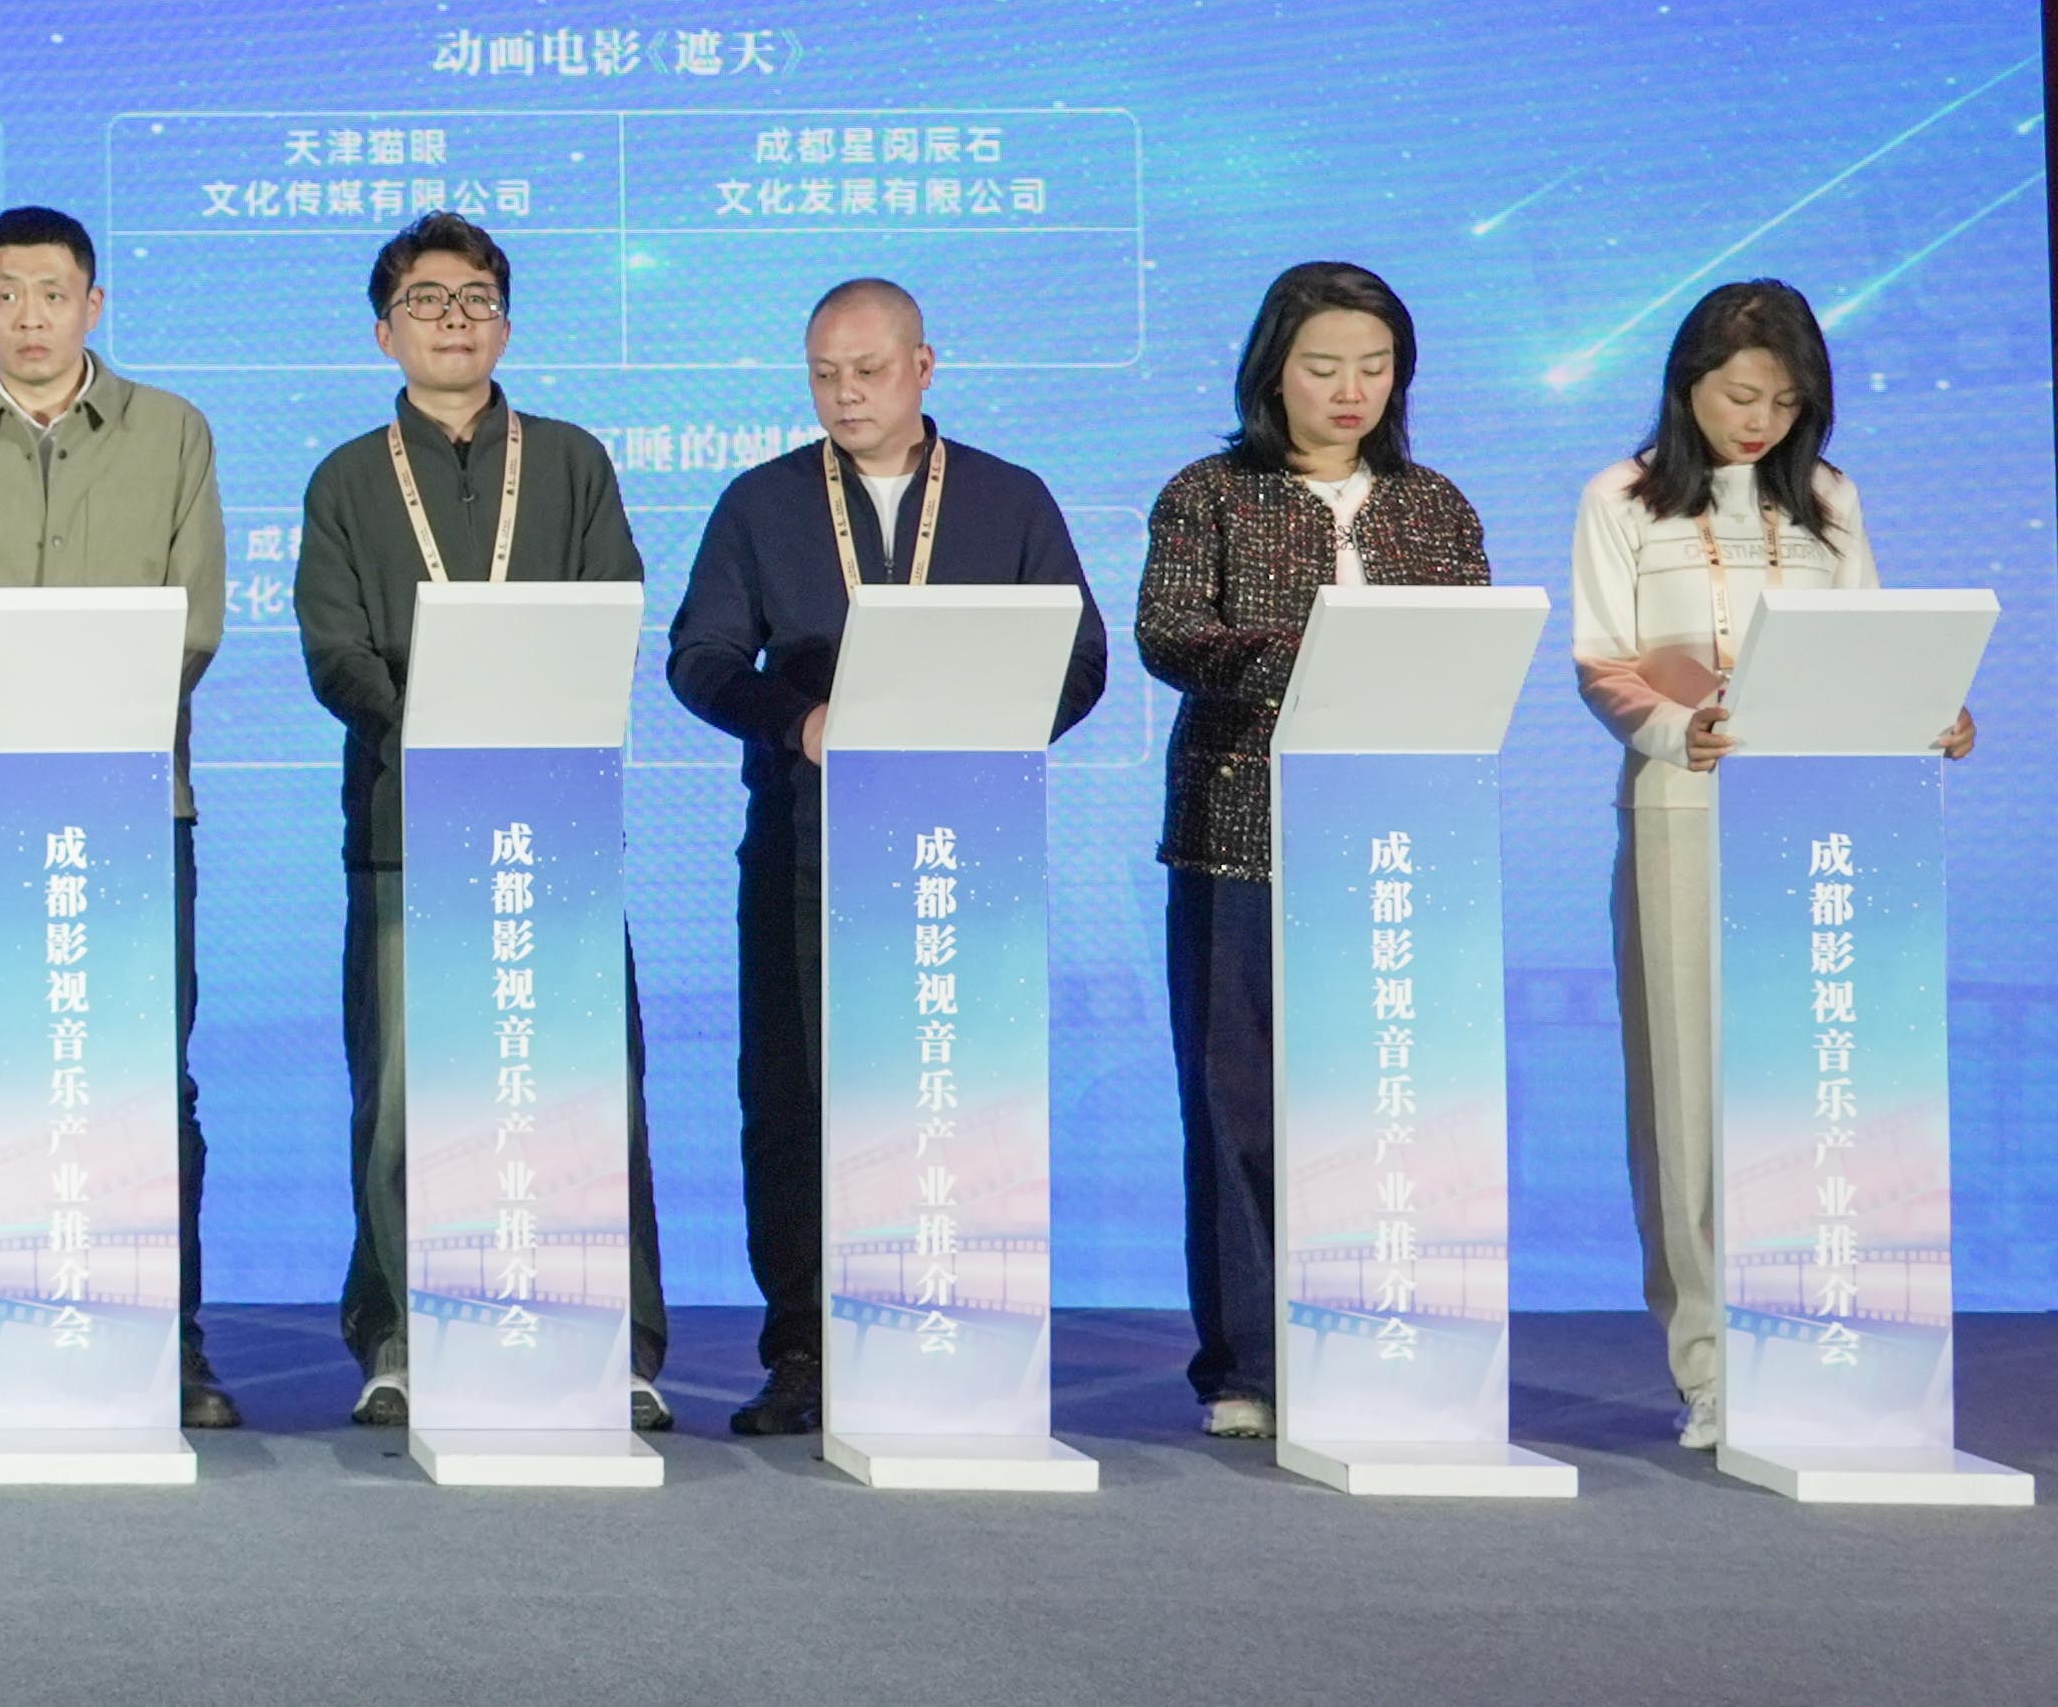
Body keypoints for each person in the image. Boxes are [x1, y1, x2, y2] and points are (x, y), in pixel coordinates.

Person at [664, 275, 1110, 1441]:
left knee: (954, 1089)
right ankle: (803, 1348)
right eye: (822, 374)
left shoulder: (1007, 498)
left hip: (963, 847)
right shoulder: (762, 501)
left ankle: (956, 1321)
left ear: (923, 367)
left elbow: (1079, 659)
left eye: (866, 370)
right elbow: (699, 657)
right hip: (802, 842)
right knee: (790, 1095)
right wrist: (795, 719)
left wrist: (982, 731)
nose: (844, 393)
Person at [1569, 277, 1973, 1454]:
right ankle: (1707, 1366)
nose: (1758, 421)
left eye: (1784, 402)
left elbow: (1872, 650)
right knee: (1685, 1090)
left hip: (1820, 821)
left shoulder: (1829, 500)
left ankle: (1821, 1341)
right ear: (1687, 381)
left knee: (1815, 1084)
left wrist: (1932, 714)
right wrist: (1672, 729)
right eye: (1739, 394)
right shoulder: (1620, 497)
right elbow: (1600, 661)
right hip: (1684, 804)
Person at [290, 213, 665, 1435]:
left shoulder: (570, 460)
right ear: (382, 330)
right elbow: (333, 646)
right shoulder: (347, 477)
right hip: (404, 825)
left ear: (505, 323)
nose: (451, 320)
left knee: (588, 1084)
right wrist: (430, 730)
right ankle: (398, 1336)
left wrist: (522, 727)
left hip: (553, 824)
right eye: (425, 299)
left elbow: (612, 609)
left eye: (473, 299)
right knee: (402, 1095)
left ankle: (616, 1340)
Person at [0, 205, 235, 1431]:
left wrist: (89, 700)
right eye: (5, 293)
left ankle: (170, 1344)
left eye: (52, 292)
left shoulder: (171, 431)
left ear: (93, 303)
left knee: (146, 1076)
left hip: (134, 798)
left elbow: (194, 615)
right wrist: (27, 694)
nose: (29, 316)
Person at [1132, 260, 1491, 1442]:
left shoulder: (1432, 506)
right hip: (1239, 831)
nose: (1349, 390)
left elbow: (1473, 647)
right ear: (1271, 372)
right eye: (1323, 366)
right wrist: (1305, 654)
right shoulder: (1207, 493)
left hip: (1398, 840)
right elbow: (1166, 633)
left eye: (1373, 368)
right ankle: (1245, 1362)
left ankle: (1389, 1329)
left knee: (1386, 1097)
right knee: (1235, 1098)